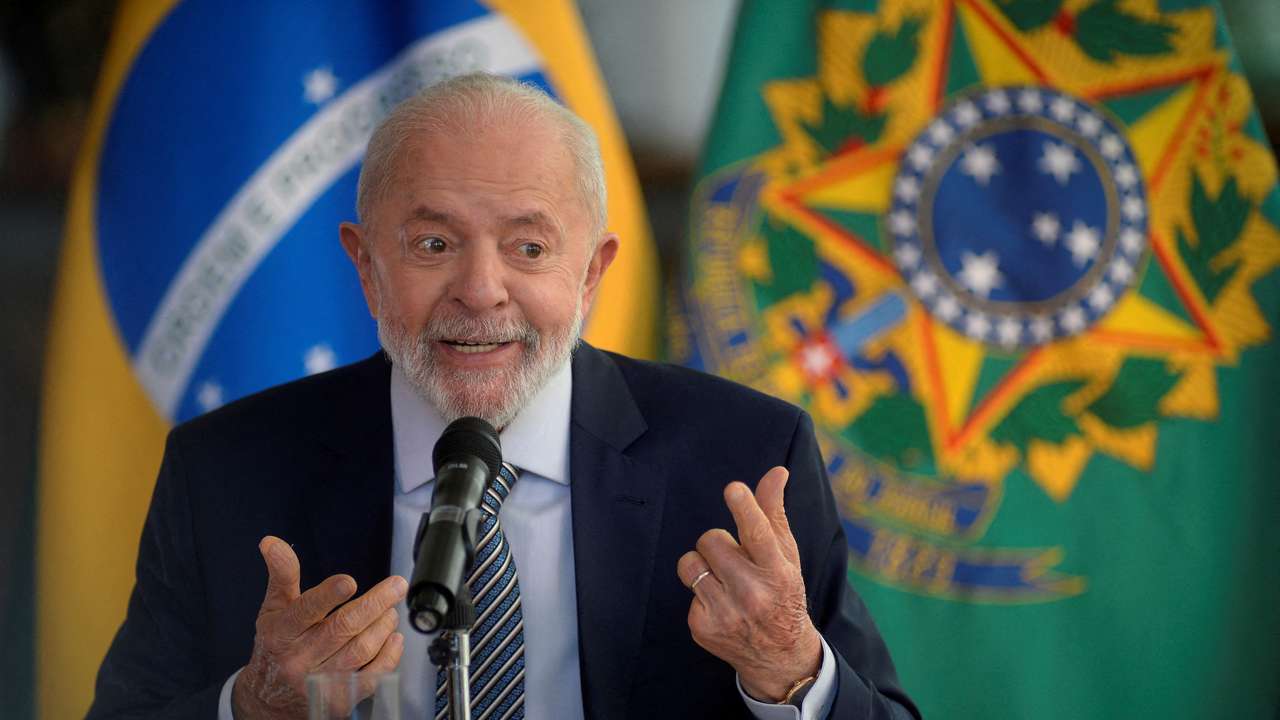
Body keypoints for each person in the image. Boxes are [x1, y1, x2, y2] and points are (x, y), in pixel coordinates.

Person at [88, 73, 919, 720]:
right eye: (433, 243)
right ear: (365, 268)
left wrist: (790, 672)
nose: (481, 291)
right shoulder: (227, 473)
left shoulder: (742, 459)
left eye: (528, 247)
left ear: (592, 272)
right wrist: (254, 704)